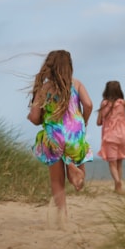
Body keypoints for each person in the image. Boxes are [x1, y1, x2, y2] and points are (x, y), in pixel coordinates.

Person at [27, 50, 93, 219]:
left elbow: (35, 117)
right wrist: (83, 122)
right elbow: (89, 104)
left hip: (54, 137)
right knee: (77, 183)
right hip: (75, 135)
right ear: (69, 67)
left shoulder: (45, 88)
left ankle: (62, 216)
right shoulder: (76, 84)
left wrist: (35, 117)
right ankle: (73, 168)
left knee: (57, 181)